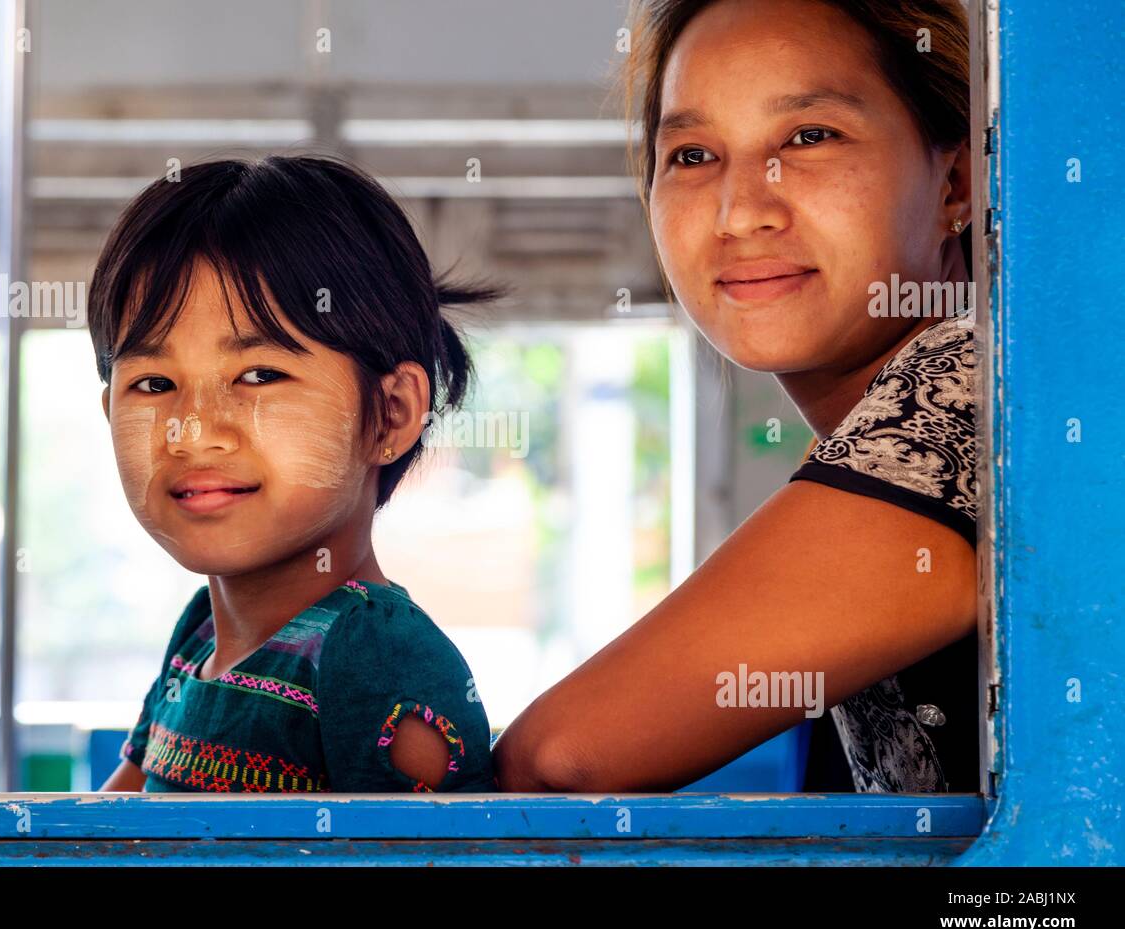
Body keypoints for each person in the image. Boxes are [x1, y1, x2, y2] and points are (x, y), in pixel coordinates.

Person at [493, 0, 980, 794]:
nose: (740, 211)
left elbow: (559, 761)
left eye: (808, 137)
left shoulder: (968, 389)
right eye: (691, 155)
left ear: (956, 179)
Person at [91, 156, 499, 793]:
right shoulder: (198, 633)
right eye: (154, 384)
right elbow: (106, 836)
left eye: (258, 376)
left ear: (390, 414)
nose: (193, 430)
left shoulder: (375, 656)